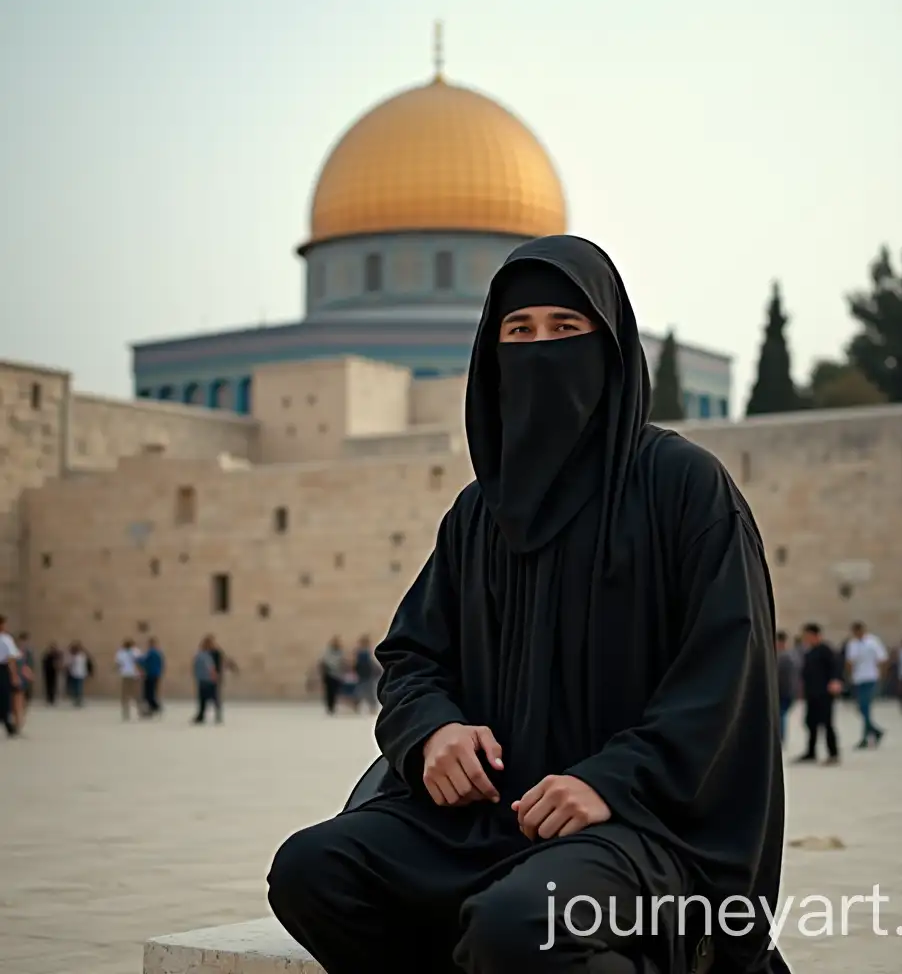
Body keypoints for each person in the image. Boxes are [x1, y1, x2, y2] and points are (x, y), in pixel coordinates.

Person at [267, 235, 789, 974]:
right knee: (311, 871)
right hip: (485, 823)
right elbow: (412, 656)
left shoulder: (682, 489)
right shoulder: (480, 514)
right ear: (491, 358)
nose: (541, 349)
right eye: (519, 332)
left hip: (643, 829)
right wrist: (432, 733)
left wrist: (609, 782)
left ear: (609, 349)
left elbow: (724, 678)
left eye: (566, 330)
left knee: (525, 928)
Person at [795, 622, 843, 765]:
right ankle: (811, 752)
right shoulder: (809, 652)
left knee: (827, 723)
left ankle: (833, 754)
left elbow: (836, 666)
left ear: (814, 635)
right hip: (812, 694)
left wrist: (835, 680)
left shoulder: (825, 649)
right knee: (811, 723)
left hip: (824, 694)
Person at [845, 621, 888, 748]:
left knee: (865, 706)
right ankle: (875, 731)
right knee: (861, 708)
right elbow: (849, 662)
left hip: (870, 677)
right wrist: (850, 676)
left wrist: (882, 676)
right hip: (858, 679)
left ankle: (865, 738)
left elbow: (882, 659)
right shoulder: (852, 644)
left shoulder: (873, 642)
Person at [776, 630, 800, 745]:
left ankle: (780, 738)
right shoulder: (790, 656)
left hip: (784, 691)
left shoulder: (785, 657)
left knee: (780, 715)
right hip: (787, 691)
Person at [192, 635, 220, 724]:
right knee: (208, 698)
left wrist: (214, 676)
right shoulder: (205, 655)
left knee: (207, 698)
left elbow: (210, 667)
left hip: (206, 679)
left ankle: (202, 716)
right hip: (206, 679)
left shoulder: (204, 655)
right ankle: (203, 715)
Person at [0, 615, 21, 736]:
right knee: (4, 697)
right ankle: (8, 724)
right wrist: (14, 676)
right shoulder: (6, 638)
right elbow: (11, 659)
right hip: (2, 669)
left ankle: (8, 723)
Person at [115, 638, 143, 720]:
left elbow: (118, 664)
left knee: (125, 695)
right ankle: (139, 712)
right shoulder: (135, 651)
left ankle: (126, 713)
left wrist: (118, 670)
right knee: (136, 694)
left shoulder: (120, 652)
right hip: (134, 675)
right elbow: (139, 663)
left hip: (126, 675)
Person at [352, 635, 379, 714]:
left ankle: (372, 707)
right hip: (362, 675)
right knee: (359, 691)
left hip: (367, 674)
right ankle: (357, 706)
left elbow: (372, 663)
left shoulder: (368, 652)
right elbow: (356, 663)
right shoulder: (359, 652)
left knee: (368, 692)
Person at [320, 637, 346, 714]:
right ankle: (330, 707)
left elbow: (343, 662)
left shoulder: (340, 652)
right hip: (329, 675)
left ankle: (333, 706)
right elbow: (325, 661)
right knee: (329, 692)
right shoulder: (328, 652)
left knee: (335, 692)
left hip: (337, 675)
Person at [140, 637, 164, 716]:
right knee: (152, 691)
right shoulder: (158, 653)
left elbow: (145, 662)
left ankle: (154, 707)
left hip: (150, 674)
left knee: (148, 692)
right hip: (156, 674)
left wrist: (137, 660)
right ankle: (154, 707)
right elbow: (161, 664)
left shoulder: (150, 653)